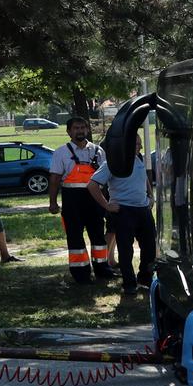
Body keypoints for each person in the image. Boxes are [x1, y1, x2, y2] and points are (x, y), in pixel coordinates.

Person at [47, 117, 114, 284]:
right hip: (72, 200)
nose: (80, 131)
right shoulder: (61, 152)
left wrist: (107, 200)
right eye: (76, 128)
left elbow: (106, 178)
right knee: (75, 237)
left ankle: (102, 269)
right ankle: (81, 274)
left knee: (98, 235)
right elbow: (54, 179)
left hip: (95, 198)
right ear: (69, 131)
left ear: (87, 130)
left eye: (83, 128)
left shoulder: (98, 151)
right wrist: (53, 202)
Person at [88, 145, 156, 296]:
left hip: (143, 210)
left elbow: (144, 179)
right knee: (126, 251)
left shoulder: (139, 159)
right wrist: (107, 205)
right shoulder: (112, 163)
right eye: (136, 144)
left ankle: (145, 279)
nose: (139, 147)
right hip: (123, 211)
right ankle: (129, 284)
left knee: (150, 247)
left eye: (139, 144)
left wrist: (151, 196)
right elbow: (92, 185)